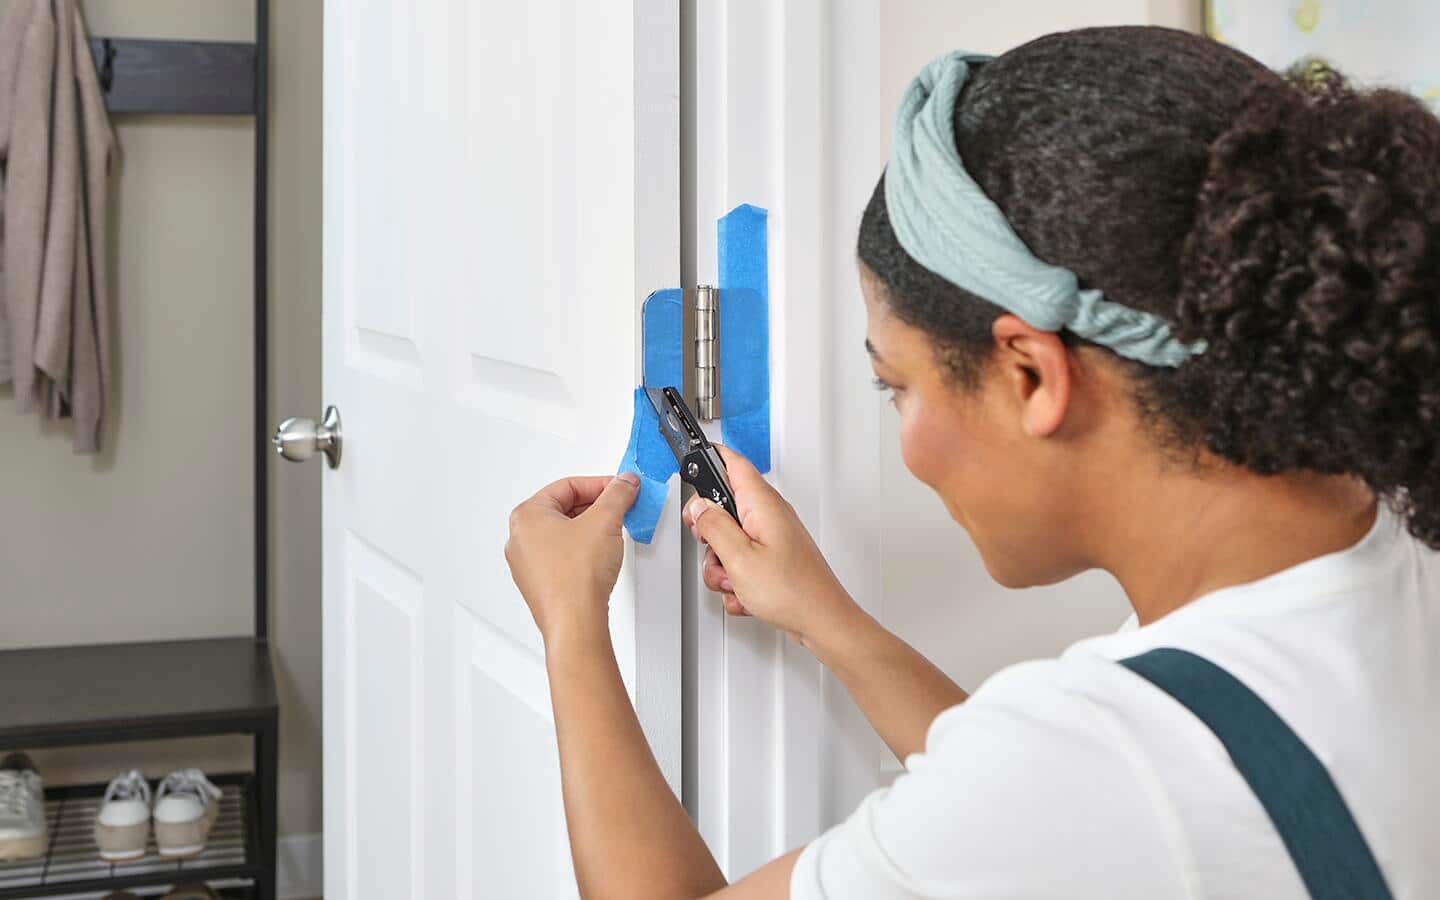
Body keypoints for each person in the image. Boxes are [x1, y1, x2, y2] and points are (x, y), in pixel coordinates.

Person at [503, 25, 1440, 900]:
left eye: (896, 387)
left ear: (1031, 372)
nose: (907, 445)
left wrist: (570, 621)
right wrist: (827, 619)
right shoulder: (1384, 546)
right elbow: (1055, 797)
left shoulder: (1098, 771)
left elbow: (1059, 792)